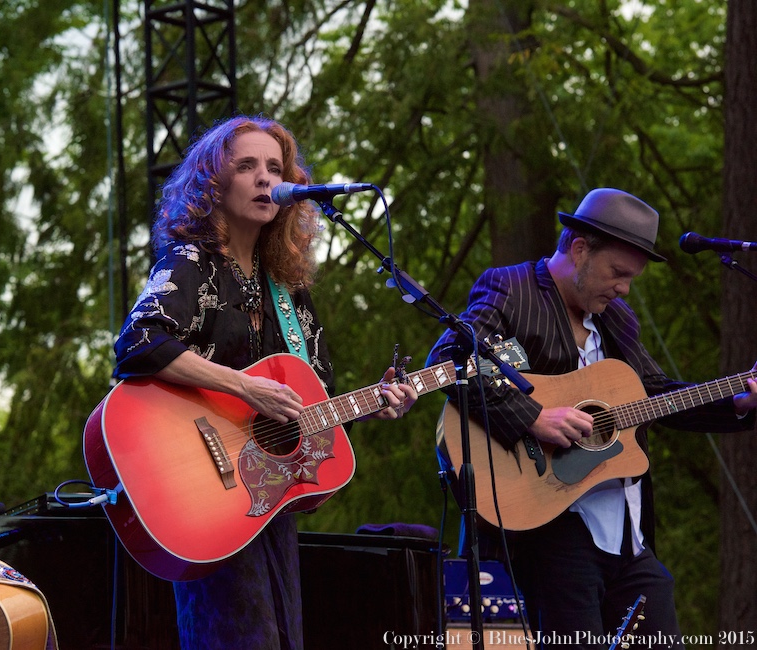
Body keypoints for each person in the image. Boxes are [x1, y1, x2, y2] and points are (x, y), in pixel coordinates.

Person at [113, 115, 418, 650]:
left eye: (275, 168)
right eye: (246, 165)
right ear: (214, 180)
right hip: (201, 489)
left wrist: (371, 404)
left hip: (264, 500)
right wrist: (243, 387)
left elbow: (313, 403)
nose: (263, 178)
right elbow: (139, 342)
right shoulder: (191, 261)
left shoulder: (288, 289)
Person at [426, 188, 757, 649]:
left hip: (628, 536)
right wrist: (534, 417)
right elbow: (450, 363)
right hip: (554, 529)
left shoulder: (617, 319)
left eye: (630, 279)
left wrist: (738, 401)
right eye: (618, 273)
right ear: (580, 248)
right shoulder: (512, 288)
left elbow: (656, 396)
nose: (623, 288)